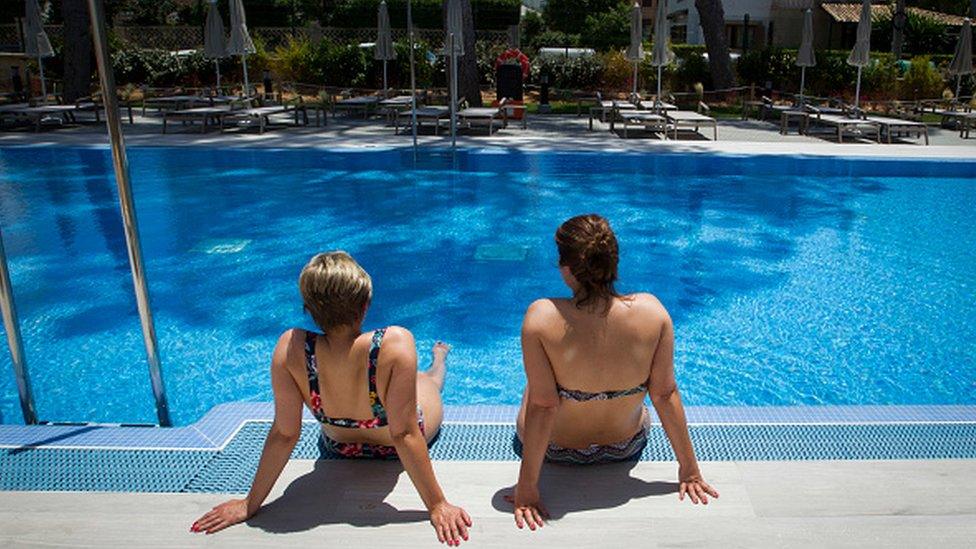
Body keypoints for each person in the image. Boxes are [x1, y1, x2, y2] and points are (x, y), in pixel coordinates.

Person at [191, 251, 472, 545]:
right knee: (427, 382)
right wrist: (437, 504)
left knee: (409, 381)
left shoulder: (291, 347)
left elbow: (285, 434)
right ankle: (439, 359)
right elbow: (403, 432)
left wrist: (251, 503)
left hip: (340, 447)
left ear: (309, 309)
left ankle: (435, 360)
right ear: (364, 306)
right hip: (392, 449)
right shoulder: (395, 343)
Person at [510, 214, 718, 530]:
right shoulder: (653, 312)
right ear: (613, 262)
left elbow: (544, 405)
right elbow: (664, 394)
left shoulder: (541, 317)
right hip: (625, 446)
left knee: (537, 388)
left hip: (558, 451)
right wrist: (689, 471)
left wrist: (527, 489)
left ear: (566, 269)